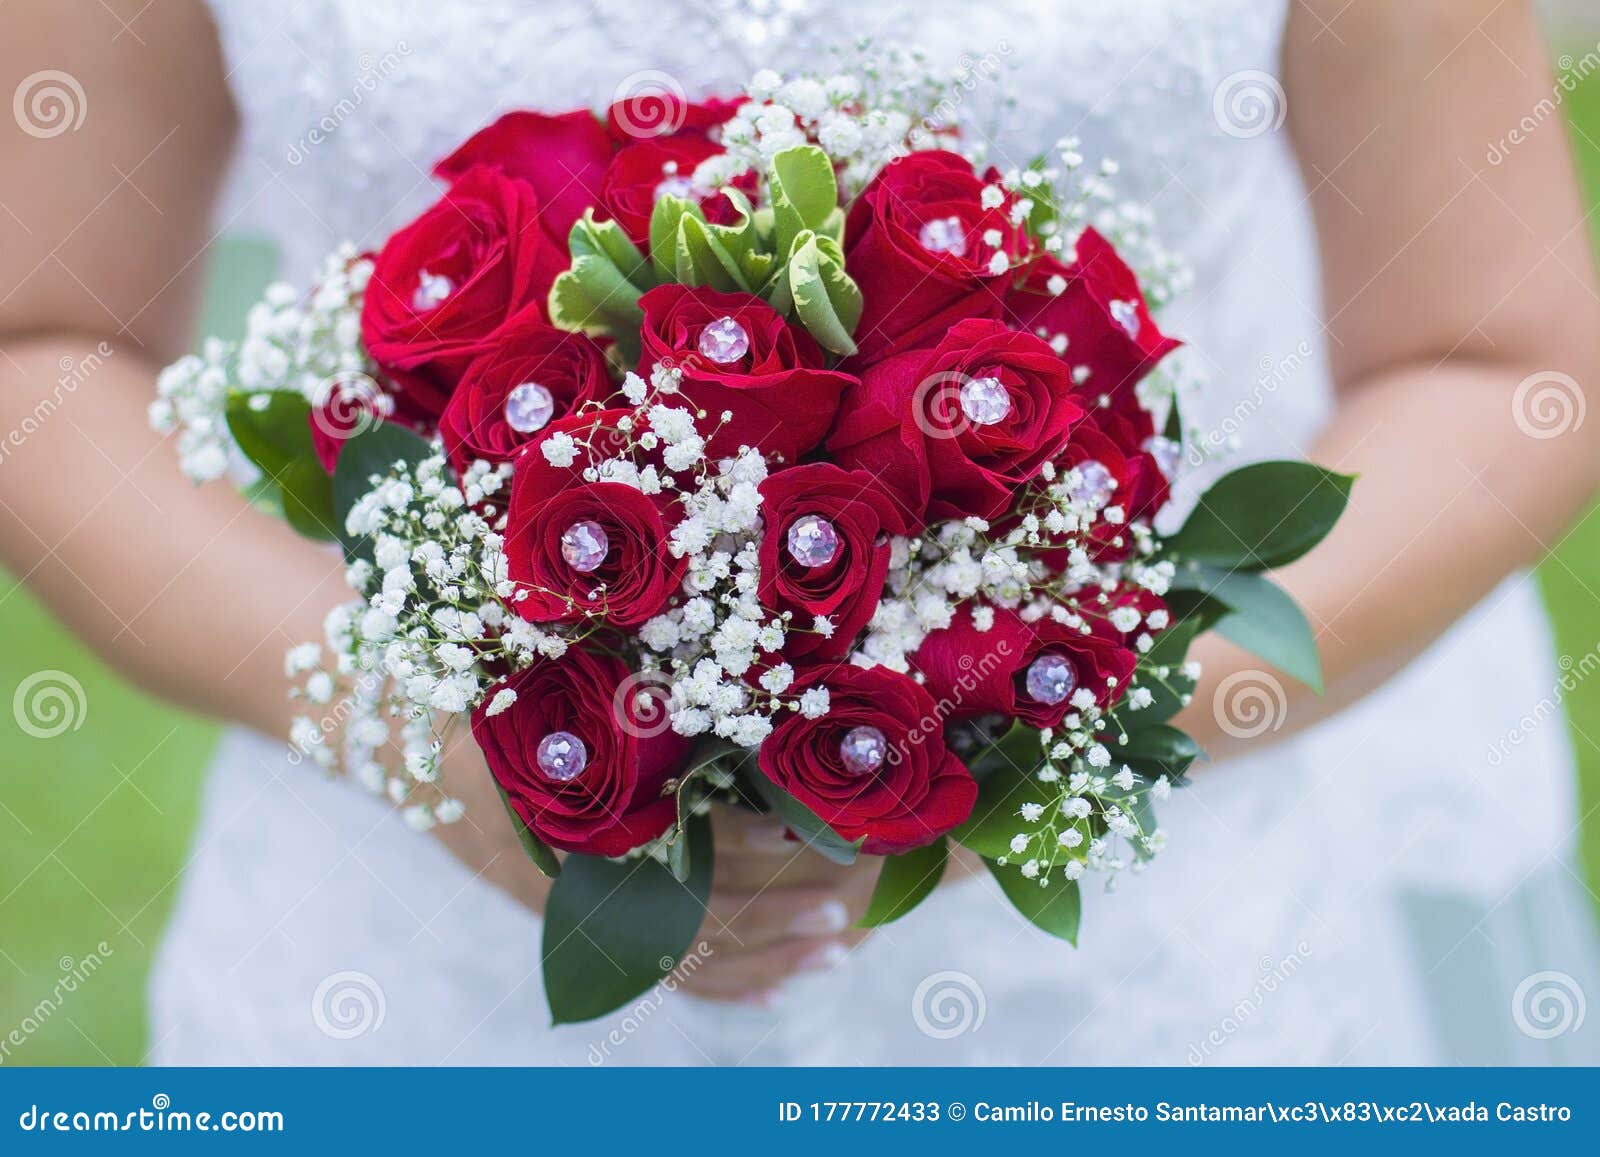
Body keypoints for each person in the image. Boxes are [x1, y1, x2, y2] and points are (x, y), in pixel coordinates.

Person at [2, 0, 1598, 1064]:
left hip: (1118, 1000)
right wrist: (404, 719)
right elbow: (41, 343)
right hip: (408, 978)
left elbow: (1502, 363)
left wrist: (1039, 729)